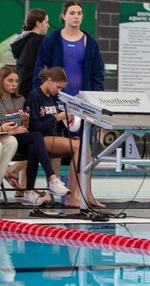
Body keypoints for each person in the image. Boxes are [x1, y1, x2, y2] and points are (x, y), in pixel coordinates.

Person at [25, 67, 105, 208]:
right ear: (49, 80)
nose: (59, 90)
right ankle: (72, 197)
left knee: (83, 147)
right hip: (39, 139)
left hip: (53, 138)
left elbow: (60, 125)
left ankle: (86, 194)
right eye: (58, 86)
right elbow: (34, 128)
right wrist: (58, 117)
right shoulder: (34, 96)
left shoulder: (55, 98)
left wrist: (67, 124)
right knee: (79, 147)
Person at [0, 66, 70, 206]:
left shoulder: (20, 100)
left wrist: (25, 123)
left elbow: (25, 127)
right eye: (10, 80)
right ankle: (51, 179)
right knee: (36, 137)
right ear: (1, 81)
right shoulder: (33, 96)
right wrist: (4, 129)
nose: (14, 84)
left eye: (16, 81)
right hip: (5, 136)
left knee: (33, 144)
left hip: (17, 137)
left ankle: (30, 191)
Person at [32, 1, 104, 94]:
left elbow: (98, 73)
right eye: (72, 13)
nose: (76, 16)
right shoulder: (52, 39)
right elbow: (40, 69)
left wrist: (97, 96)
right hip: (56, 98)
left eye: (79, 13)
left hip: (83, 100)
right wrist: (39, 94)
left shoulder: (90, 42)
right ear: (63, 16)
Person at [10, 9, 50, 97]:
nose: (48, 25)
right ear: (38, 24)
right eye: (46, 22)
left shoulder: (23, 40)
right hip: (32, 91)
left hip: (21, 89)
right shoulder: (38, 41)